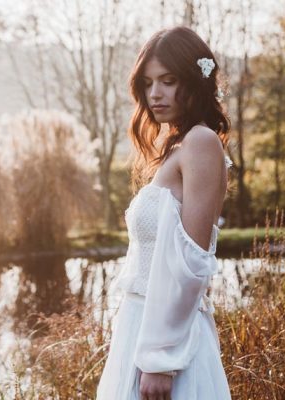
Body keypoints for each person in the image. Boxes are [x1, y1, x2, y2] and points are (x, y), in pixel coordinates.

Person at [96, 26, 233, 400]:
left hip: (168, 343)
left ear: (194, 81)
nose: (155, 93)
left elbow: (190, 259)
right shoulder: (172, 145)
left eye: (168, 81)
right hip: (139, 324)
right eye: (148, 82)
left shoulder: (200, 142)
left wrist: (161, 360)